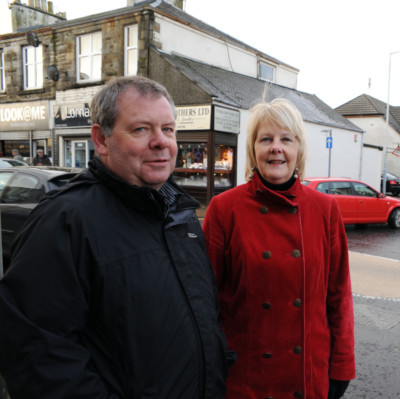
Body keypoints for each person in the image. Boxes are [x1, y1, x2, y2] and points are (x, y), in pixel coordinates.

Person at [0, 76, 231, 398]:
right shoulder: (65, 221)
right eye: (141, 129)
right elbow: (38, 356)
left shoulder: (180, 215)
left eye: (168, 129)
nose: (161, 141)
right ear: (102, 139)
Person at [203, 97, 356, 399]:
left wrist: (342, 365)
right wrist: (210, 366)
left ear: (298, 150)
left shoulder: (325, 209)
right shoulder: (224, 209)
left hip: (307, 374)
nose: (276, 147)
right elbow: (205, 302)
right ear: (253, 150)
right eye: (266, 139)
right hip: (245, 378)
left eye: (286, 138)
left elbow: (338, 295)